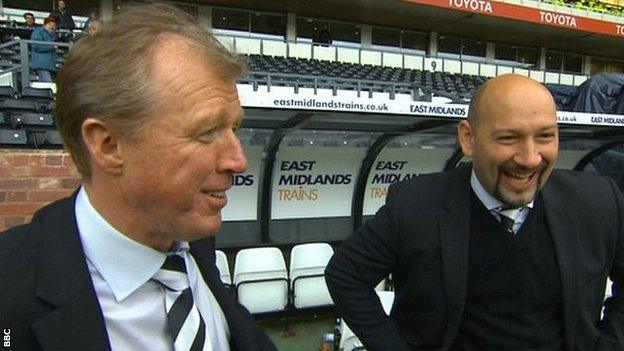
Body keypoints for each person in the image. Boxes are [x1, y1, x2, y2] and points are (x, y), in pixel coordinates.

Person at [0, 4, 277, 351]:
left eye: (234, 127)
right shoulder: (9, 294)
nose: (238, 161)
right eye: (206, 132)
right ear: (109, 145)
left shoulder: (190, 240)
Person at [325, 74, 624, 350]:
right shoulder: (415, 205)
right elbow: (345, 274)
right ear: (468, 138)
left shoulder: (598, 201)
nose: (530, 158)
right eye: (508, 138)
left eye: (545, 136)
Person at [29, 16, 57, 82]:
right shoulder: (39, 32)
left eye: (54, 25)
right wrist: (52, 47)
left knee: (43, 85)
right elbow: (36, 46)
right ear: (45, 24)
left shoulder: (51, 35)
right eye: (50, 24)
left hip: (47, 65)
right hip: (41, 65)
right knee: (48, 85)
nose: (52, 27)